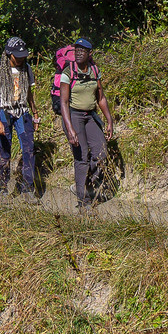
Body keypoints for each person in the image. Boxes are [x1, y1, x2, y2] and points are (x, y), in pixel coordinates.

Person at [59, 37, 115, 209]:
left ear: (89, 53)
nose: (79, 53)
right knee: (81, 157)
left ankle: (85, 185)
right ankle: (83, 202)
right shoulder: (68, 73)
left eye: (82, 51)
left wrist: (109, 120)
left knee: (101, 153)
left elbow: (101, 98)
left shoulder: (94, 70)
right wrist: (70, 129)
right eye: (77, 50)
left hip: (90, 115)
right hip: (74, 116)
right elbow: (64, 102)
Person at [0, 36, 39, 200]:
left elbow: (29, 93)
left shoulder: (26, 69)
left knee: (29, 149)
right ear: (9, 54)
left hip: (22, 112)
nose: (20, 59)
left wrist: (35, 113)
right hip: (4, 112)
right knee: (4, 152)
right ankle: (2, 189)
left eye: (23, 55)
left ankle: (28, 188)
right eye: (17, 56)